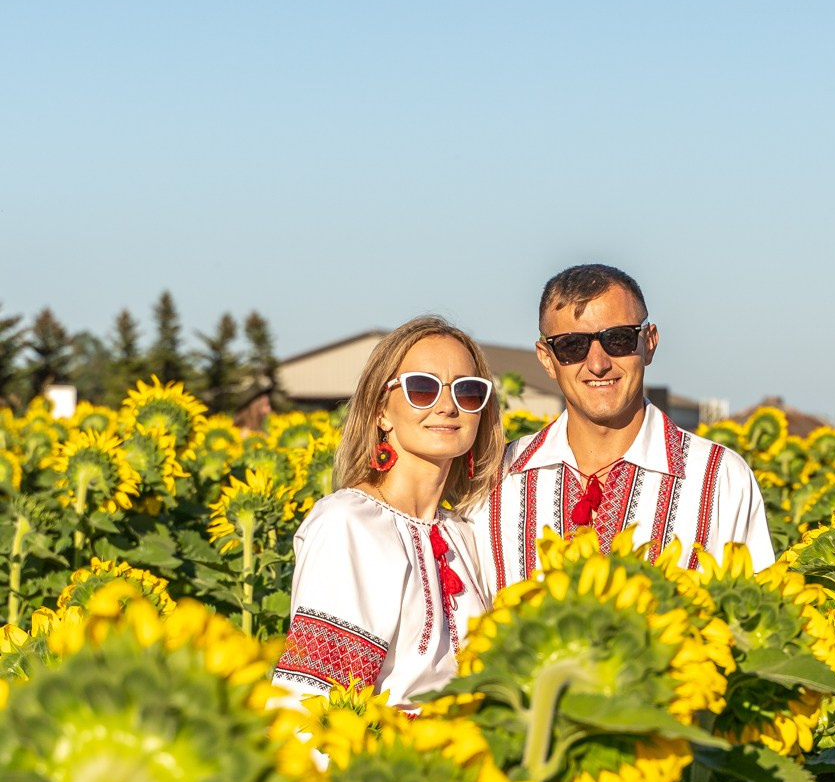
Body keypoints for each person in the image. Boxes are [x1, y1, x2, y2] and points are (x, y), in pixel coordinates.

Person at [467, 263, 773, 589]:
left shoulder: (720, 478)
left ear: (650, 342)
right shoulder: (497, 481)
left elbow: (751, 611)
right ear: (546, 358)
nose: (598, 364)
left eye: (619, 339)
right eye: (573, 345)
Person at [274, 316, 503, 707]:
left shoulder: (467, 533)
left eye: (467, 392)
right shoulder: (348, 523)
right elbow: (315, 706)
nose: (447, 406)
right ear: (382, 410)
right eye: (422, 388)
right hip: (386, 762)